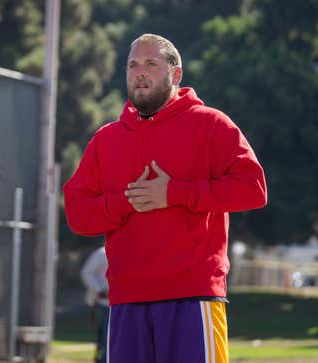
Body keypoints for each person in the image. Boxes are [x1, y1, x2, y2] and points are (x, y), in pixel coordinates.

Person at [63, 33, 267, 363]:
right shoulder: (105, 139)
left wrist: (173, 193)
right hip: (126, 301)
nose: (139, 72)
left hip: (193, 297)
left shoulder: (211, 124)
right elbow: (77, 213)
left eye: (150, 64)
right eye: (132, 65)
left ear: (176, 74)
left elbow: (253, 188)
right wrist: (126, 201)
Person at [80, 245, 109, 363]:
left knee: (108, 338)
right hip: (105, 304)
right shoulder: (102, 253)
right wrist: (99, 290)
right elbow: (86, 273)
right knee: (106, 339)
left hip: (119, 303)